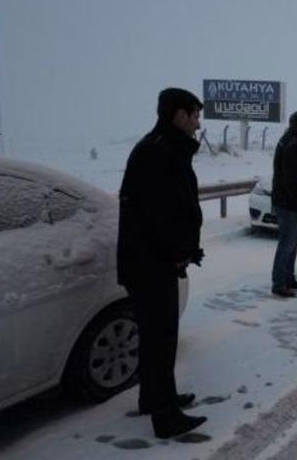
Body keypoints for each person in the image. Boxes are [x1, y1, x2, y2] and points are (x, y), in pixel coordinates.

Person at [117, 88, 207, 439]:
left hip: (152, 260)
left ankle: (154, 398)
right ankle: (166, 417)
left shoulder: (162, 147)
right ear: (179, 115)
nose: (198, 124)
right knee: (161, 339)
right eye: (195, 115)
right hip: (151, 264)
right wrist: (178, 252)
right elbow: (159, 216)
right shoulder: (158, 152)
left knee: (156, 337)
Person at [271, 111, 297, 297]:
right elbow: (292, 180)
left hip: (288, 202)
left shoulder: (291, 141)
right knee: (287, 244)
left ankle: (288, 278)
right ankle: (279, 283)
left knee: (292, 243)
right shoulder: (292, 145)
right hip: (289, 204)